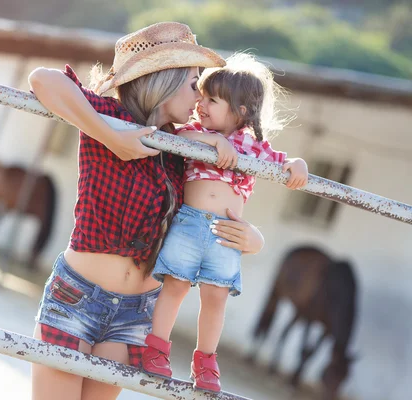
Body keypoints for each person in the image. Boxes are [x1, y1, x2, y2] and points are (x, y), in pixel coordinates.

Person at [28, 23, 267, 400]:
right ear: (164, 78)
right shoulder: (107, 114)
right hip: (78, 297)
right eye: (193, 84)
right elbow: (44, 80)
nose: (199, 98)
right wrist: (111, 136)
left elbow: (210, 208)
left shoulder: (184, 150)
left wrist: (251, 239)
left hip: (136, 314)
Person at [141, 53, 309, 393]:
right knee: (174, 286)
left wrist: (300, 164)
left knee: (216, 298)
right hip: (189, 223)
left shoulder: (254, 146)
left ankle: (205, 362)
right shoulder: (195, 132)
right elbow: (173, 139)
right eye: (200, 96)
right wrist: (212, 140)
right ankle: (155, 349)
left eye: (212, 100)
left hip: (227, 233)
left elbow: (284, 163)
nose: (201, 104)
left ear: (240, 111)